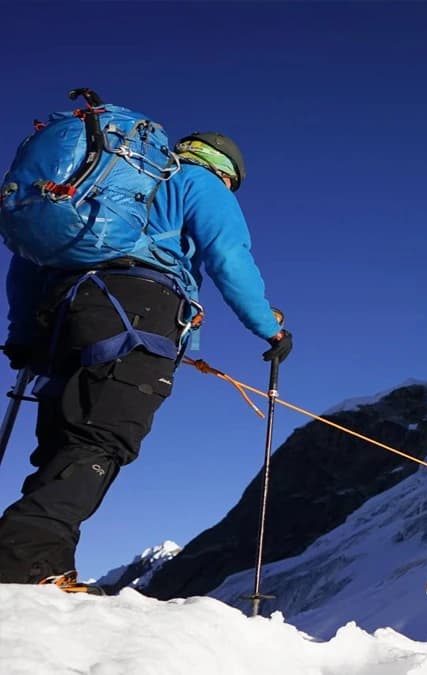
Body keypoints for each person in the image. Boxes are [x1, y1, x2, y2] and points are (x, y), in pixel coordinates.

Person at [0, 131, 292, 591]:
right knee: (101, 439)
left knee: (64, 439)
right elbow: (228, 256)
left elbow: (25, 262)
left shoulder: (96, 189)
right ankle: (22, 564)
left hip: (61, 316)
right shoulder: (199, 183)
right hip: (138, 311)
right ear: (228, 172)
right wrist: (268, 327)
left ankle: (48, 566)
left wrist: (21, 335)